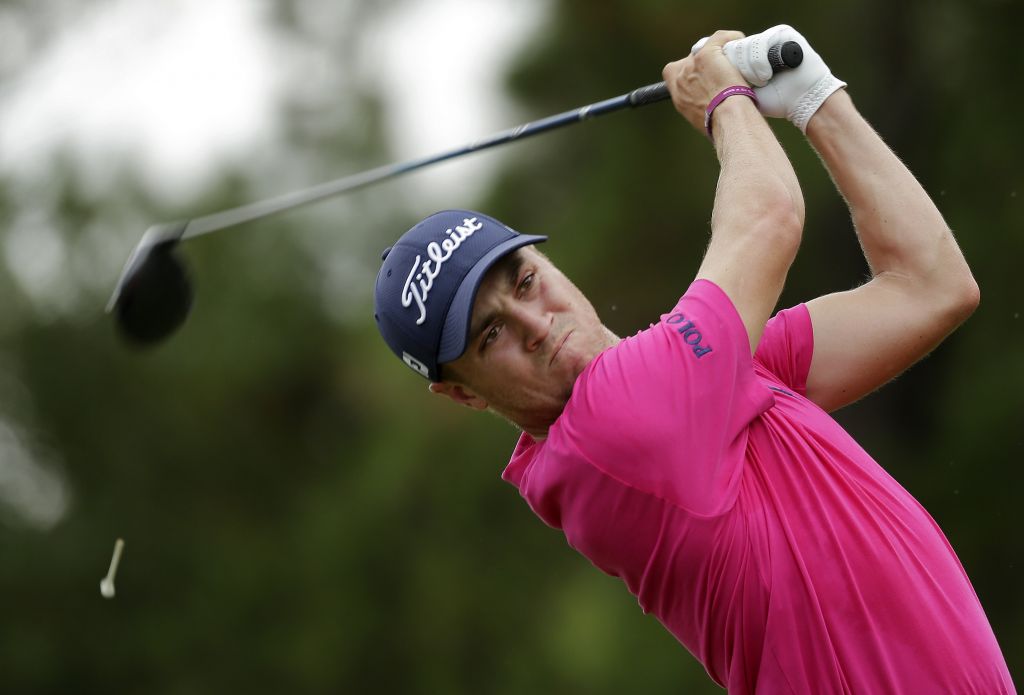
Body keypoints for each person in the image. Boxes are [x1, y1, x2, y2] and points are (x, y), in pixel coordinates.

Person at [373, 25, 1015, 693]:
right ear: (463, 394)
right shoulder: (609, 426)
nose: (535, 323)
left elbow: (931, 285)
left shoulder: (711, 377)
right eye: (489, 337)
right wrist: (723, 100)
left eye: (527, 281)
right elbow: (767, 215)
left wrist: (816, 99)